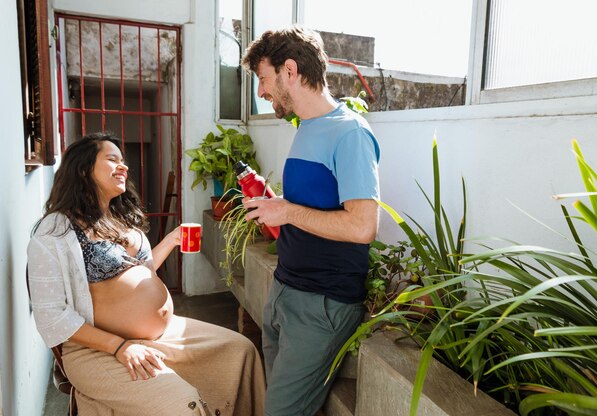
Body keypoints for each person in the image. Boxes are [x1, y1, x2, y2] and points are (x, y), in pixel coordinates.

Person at [27, 133, 265, 416]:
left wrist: (171, 241)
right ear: (83, 169)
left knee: (242, 351)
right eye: (112, 159)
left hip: (161, 333)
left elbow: (144, 273)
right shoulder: (57, 230)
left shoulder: (120, 220)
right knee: (182, 406)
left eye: (123, 160)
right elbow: (51, 317)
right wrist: (119, 346)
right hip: (97, 347)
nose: (124, 166)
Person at [241, 26, 380, 416]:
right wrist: (278, 206)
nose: (262, 93)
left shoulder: (350, 133)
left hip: (322, 304)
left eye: (264, 80)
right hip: (285, 290)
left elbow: (362, 227)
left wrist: (285, 211)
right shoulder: (307, 128)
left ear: (289, 70)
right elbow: (315, 207)